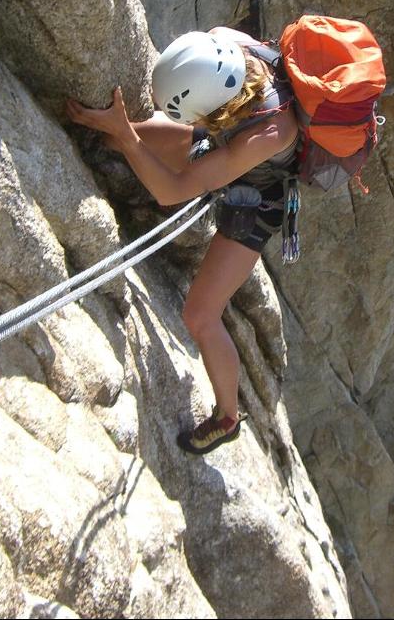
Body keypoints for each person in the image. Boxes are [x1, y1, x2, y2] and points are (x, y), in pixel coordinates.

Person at [66, 27, 299, 455]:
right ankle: (111, 132)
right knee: (117, 138)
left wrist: (128, 135)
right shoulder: (228, 43)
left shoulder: (272, 132)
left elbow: (171, 191)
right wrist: (122, 132)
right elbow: (185, 132)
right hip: (229, 134)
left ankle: (227, 418)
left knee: (201, 315)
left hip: (259, 195)